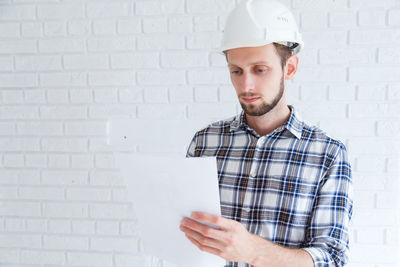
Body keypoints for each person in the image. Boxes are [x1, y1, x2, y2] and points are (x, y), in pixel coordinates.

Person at [179, 0, 353, 266]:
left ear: (290, 68)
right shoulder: (204, 142)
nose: (246, 85)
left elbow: (333, 258)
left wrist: (252, 251)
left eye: (260, 70)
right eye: (236, 71)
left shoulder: (327, 154)